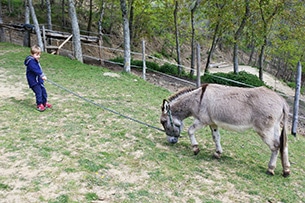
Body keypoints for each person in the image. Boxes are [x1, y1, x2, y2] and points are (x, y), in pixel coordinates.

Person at [24, 45, 52, 112]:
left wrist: (41, 76)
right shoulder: (31, 61)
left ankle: (44, 102)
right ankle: (39, 104)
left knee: (43, 92)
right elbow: (36, 69)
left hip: (39, 80)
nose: (38, 56)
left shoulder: (35, 60)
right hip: (34, 81)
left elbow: (39, 69)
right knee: (38, 92)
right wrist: (42, 75)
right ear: (32, 54)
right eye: (37, 55)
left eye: (39, 54)